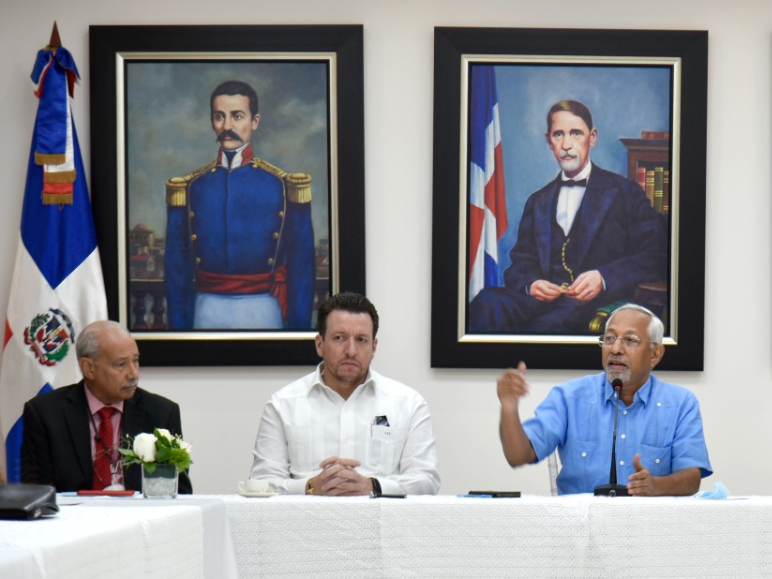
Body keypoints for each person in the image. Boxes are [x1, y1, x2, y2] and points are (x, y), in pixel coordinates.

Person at [469, 100, 668, 333]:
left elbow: (657, 255)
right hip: (541, 302)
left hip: (593, 305)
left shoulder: (625, 193)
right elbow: (521, 263)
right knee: (487, 302)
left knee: (544, 328)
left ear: (592, 137)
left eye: (576, 133)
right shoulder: (538, 200)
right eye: (558, 134)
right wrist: (532, 284)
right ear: (549, 141)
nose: (566, 144)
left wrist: (603, 278)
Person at [496, 304, 711, 495]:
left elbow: (691, 478)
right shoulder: (569, 397)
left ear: (655, 354)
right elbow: (518, 456)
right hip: (579, 525)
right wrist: (509, 409)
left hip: (649, 524)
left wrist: (656, 486)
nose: (615, 349)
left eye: (630, 340)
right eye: (609, 339)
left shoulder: (680, 404)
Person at [250, 292, 439, 496]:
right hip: (308, 516)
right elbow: (262, 481)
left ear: (373, 347)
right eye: (339, 338)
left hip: (379, 516)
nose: (351, 351)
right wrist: (310, 487)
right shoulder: (283, 404)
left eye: (361, 340)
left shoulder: (408, 404)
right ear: (320, 344)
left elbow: (426, 480)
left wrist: (373, 486)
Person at [165, 80, 315, 330]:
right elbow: (176, 269)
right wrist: (179, 331)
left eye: (237, 116)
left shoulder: (282, 185)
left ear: (254, 121)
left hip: (265, 310)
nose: (227, 126)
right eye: (219, 117)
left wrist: (297, 332)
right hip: (204, 311)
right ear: (211, 121)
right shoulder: (190, 186)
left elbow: (301, 267)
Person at [20, 321, 193, 493]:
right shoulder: (45, 414)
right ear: (89, 368)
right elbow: (37, 494)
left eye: (135, 361)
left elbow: (179, 492)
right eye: (121, 364)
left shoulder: (161, 413)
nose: (134, 374)